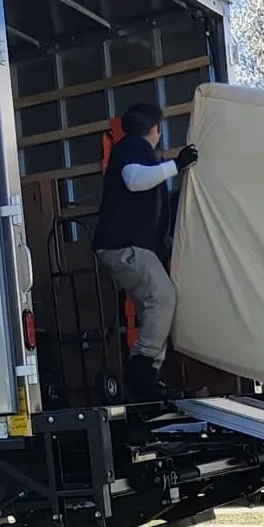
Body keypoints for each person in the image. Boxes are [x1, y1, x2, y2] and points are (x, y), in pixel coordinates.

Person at [92, 102, 199, 401]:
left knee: (152, 307)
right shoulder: (134, 148)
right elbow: (135, 180)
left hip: (129, 246)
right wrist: (177, 165)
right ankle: (142, 368)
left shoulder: (134, 150)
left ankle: (149, 379)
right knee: (163, 296)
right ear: (154, 129)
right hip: (124, 245)